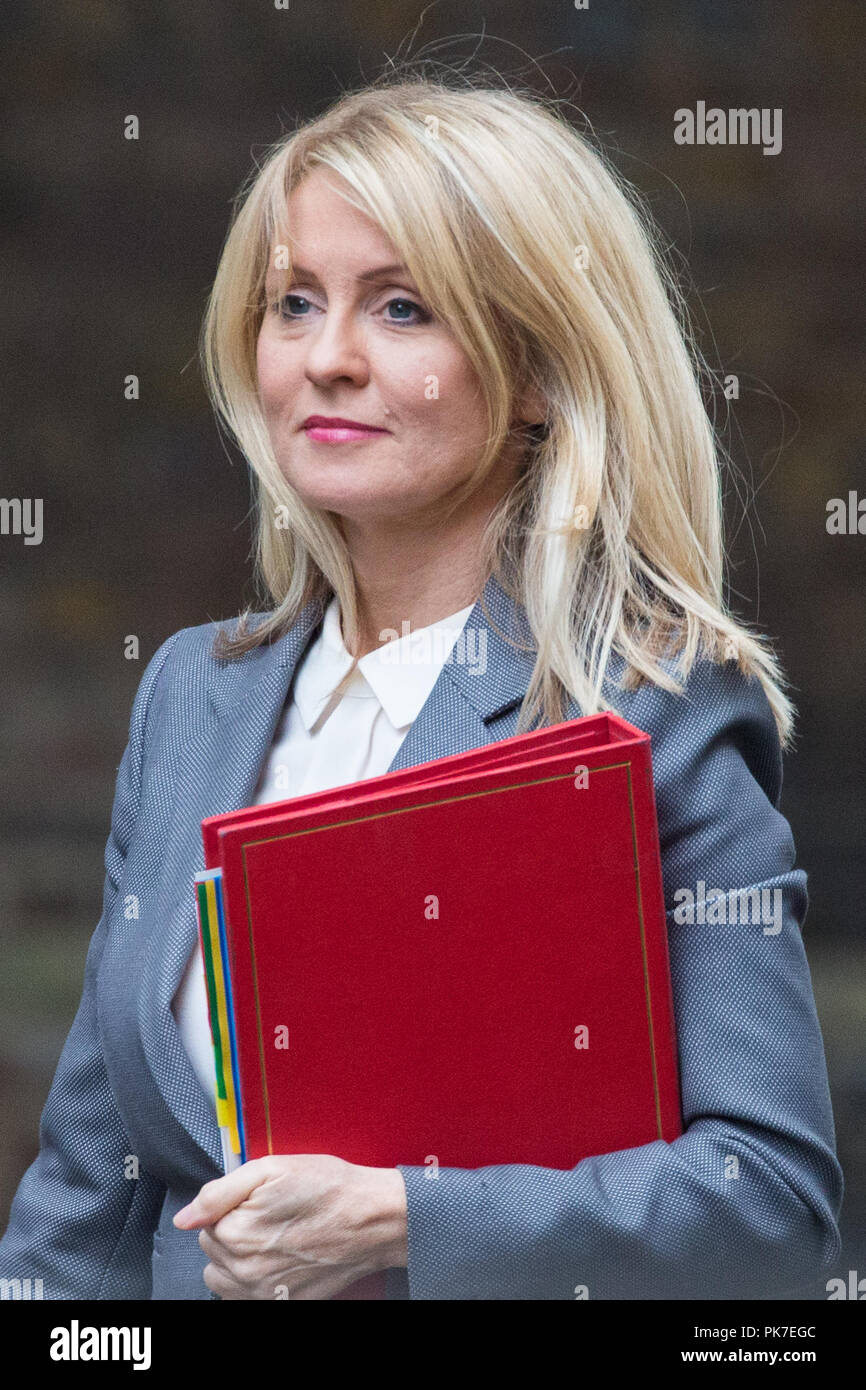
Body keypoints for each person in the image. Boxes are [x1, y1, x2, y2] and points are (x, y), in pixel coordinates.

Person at [0, 76, 843, 1300]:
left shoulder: (649, 705)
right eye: (293, 303)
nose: (325, 358)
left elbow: (764, 1202)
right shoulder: (192, 692)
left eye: (400, 309)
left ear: (542, 369)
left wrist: (403, 1218)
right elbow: (84, 1201)